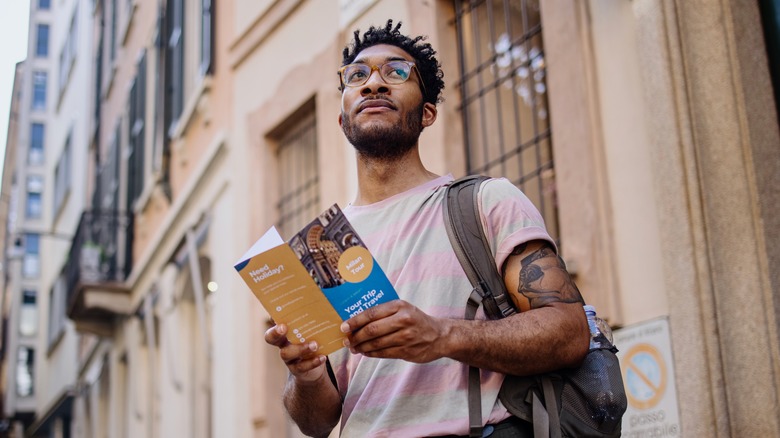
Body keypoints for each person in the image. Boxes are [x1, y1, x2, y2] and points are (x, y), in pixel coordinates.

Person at [264, 20, 589, 437]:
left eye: (396, 72)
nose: (373, 85)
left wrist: (443, 335)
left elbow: (569, 331)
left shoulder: (487, 201)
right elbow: (318, 422)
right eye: (357, 76)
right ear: (343, 121)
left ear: (427, 113)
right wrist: (306, 374)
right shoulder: (324, 247)